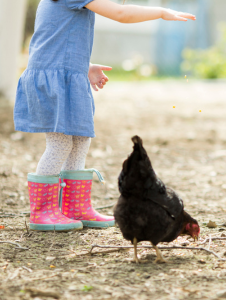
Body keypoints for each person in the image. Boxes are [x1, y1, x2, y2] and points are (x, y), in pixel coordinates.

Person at [14, 0, 196, 231]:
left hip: (65, 75)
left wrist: (84, 66)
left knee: (80, 139)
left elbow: (55, 38)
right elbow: (121, 13)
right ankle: (42, 212)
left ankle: (74, 207)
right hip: (55, 82)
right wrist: (160, 12)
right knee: (60, 143)